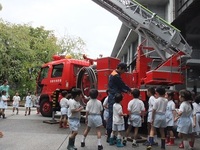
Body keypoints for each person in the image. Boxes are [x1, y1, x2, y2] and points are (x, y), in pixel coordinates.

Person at [106, 62, 131, 142]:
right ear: (120, 68)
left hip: (112, 96)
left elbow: (118, 86)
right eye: (124, 70)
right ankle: (110, 136)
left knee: (112, 116)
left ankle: (111, 136)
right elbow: (121, 85)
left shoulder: (113, 73)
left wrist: (125, 90)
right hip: (114, 97)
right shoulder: (116, 75)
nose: (124, 72)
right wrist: (129, 89)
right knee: (113, 116)